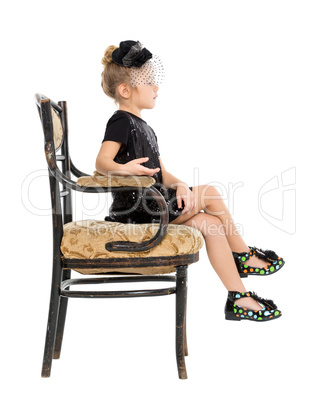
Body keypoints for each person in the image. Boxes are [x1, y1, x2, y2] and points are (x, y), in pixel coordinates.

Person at [95, 40, 285, 322]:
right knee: (210, 192)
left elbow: (162, 173)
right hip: (137, 210)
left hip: (153, 204)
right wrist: (125, 170)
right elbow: (100, 163)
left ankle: (239, 298)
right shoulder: (121, 121)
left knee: (212, 224)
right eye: (149, 82)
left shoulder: (145, 127)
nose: (156, 87)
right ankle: (244, 255)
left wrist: (181, 185)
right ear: (125, 90)